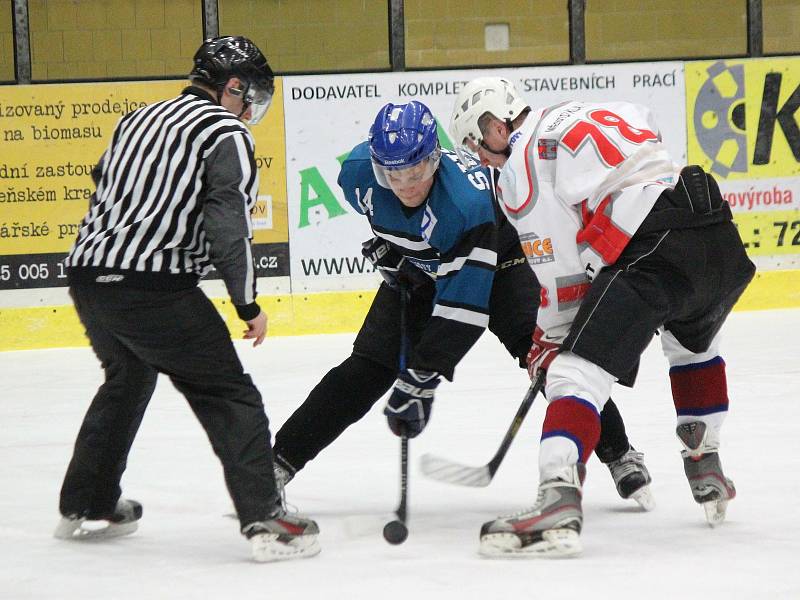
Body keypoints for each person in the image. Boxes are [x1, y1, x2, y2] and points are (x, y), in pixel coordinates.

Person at [270, 100, 654, 510]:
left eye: (415, 171)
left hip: (505, 258)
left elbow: (462, 309)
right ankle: (276, 464)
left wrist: (423, 377)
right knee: (367, 367)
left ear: (435, 158)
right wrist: (396, 248)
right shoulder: (358, 174)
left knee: (546, 358)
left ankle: (619, 452)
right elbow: (400, 222)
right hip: (430, 267)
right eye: (392, 173)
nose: (405, 184)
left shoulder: (464, 204)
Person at [449, 77, 755, 557]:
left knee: (574, 373)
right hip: (712, 224)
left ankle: (557, 497)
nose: (482, 159)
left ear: (493, 126)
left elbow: (560, 274)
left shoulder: (520, 170)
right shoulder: (576, 111)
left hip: (652, 243)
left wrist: (549, 338)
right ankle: (704, 454)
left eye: (475, 143)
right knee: (692, 344)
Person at [54, 36, 319, 563]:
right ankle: (266, 518)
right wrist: (248, 305)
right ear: (233, 87)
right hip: (153, 288)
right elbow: (228, 224)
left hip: (87, 276)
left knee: (127, 379)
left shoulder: (138, 119)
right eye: (250, 97)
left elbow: (105, 182)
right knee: (230, 395)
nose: (250, 110)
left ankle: (88, 502)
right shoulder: (226, 132)